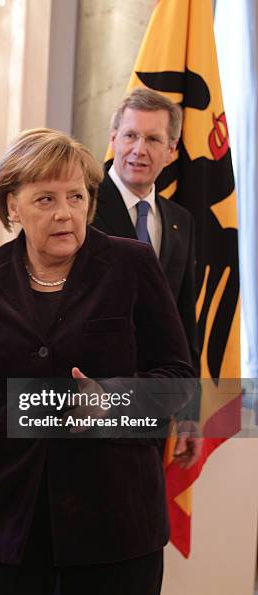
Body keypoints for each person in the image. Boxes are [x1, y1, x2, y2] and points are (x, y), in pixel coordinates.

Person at [0, 128, 194, 595]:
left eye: (76, 196)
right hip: (3, 518)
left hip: (113, 523)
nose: (64, 213)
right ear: (12, 205)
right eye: (45, 198)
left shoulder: (130, 264)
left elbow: (177, 375)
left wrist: (113, 399)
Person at [93, 87, 201, 461]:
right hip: (90, 401)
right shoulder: (81, 206)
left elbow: (184, 321)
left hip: (154, 407)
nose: (139, 149)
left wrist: (189, 411)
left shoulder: (180, 222)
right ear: (113, 139)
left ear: (171, 150)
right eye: (130, 135)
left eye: (153, 139)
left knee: (141, 517)